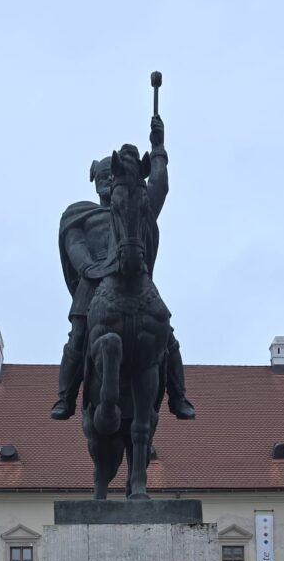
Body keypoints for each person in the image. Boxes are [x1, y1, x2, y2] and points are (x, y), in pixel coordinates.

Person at [51, 113, 195, 422]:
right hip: (93, 283)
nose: (105, 181)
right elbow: (75, 249)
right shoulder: (80, 216)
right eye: (100, 177)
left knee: (166, 333)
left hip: (135, 277)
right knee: (77, 336)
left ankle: (178, 395)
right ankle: (65, 397)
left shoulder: (135, 210)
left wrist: (158, 148)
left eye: (109, 176)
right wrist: (93, 268)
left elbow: (159, 186)